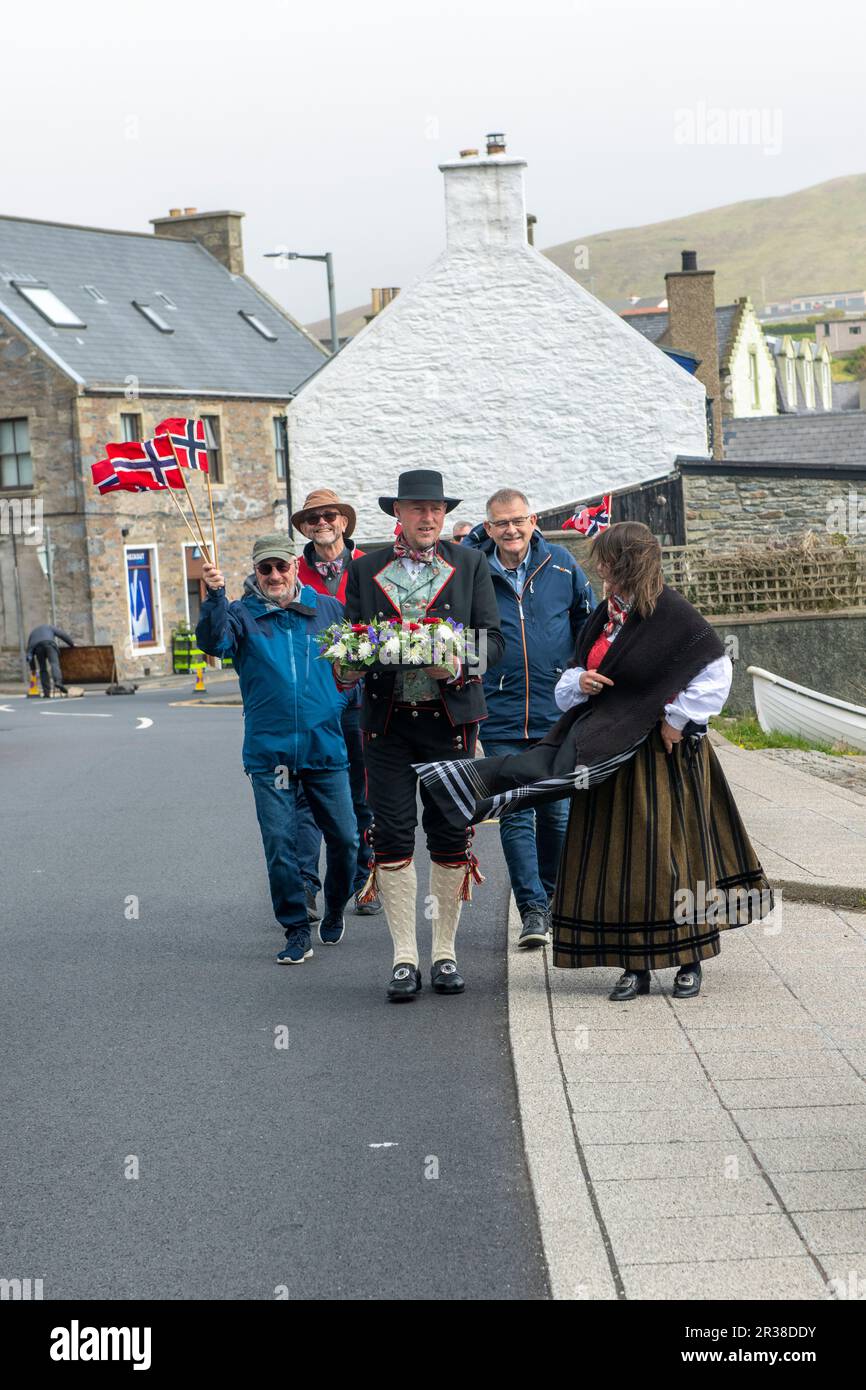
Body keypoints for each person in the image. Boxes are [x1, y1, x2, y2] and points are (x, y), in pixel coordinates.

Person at [413, 523, 773, 999]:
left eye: (606, 559)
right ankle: (635, 966)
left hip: (663, 759)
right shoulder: (606, 615)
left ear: (627, 562)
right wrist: (580, 682)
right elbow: (577, 674)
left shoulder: (672, 615)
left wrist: (678, 720)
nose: (598, 567)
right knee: (619, 858)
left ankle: (690, 959)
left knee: (673, 858)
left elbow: (713, 668)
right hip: (607, 753)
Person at [339, 469, 504, 1002]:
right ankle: (404, 958)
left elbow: (494, 640)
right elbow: (352, 639)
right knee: (390, 836)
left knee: (450, 835)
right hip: (387, 723)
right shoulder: (365, 570)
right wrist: (346, 669)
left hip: (450, 723)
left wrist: (456, 666)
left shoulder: (471, 563)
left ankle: (445, 954)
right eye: (416, 509)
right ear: (399, 515)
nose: (428, 517)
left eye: (434, 509)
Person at [196, 534, 357, 964]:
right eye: (264, 569)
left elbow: (352, 668)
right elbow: (212, 643)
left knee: (346, 840)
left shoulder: (328, 609)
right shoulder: (240, 614)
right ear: (256, 572)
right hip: (272, 756)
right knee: (280, 844)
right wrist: (214, 595)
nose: (273, 576)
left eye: (280, 567)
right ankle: (296, 930)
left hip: (325, 749)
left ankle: (336, 906)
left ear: (293, 567)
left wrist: (336, 704)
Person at [463, 489, 594, 949]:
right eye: (500, 523)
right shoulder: (473, 568)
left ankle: (555, 900)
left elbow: (588, 623)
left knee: (556, 814)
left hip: (555, 713)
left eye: (518, 520)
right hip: (498, 713)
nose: (511, 530)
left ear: (533, 520)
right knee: (517, 815)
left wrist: (581, 679)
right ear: (489, 526)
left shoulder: (561, 564)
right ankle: (533, 911)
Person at [292, 488, 381, 919]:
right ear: (304, 528)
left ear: (344, 521)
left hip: (361, 698)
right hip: (312, 702)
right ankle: (306, 886)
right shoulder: (287, 573)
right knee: (308, 794)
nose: (321, 522)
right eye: (312, 519)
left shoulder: (371, 566)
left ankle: (366, 878)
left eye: (329, 515)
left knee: (363, 792)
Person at [26, 623, 74, 697]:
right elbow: (62, 635)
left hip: (38, 648)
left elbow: (29, 653)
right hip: (49, 644)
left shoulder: (32, 633)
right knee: (54, 663)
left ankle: (46, 693)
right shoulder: (50, 627)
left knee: (43, 669)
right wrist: (71, 644)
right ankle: (58, 682)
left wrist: (33, 669)